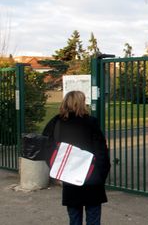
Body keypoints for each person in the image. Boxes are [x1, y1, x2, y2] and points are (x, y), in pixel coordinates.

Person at [43, 91, 111, 225]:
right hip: (92, 176)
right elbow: (101, 151)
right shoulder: (91, 122)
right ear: (81, 103)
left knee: (74, 218)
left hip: (69, 176)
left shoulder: (56, 122)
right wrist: (101, 174)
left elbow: (47, 149)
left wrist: (57, 171)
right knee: (93, 216)